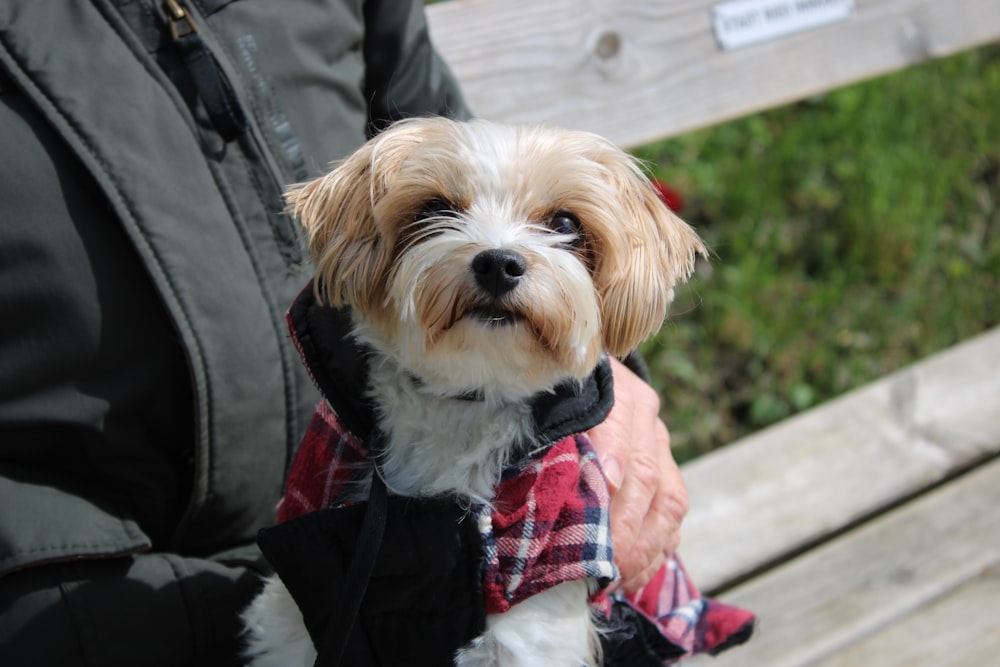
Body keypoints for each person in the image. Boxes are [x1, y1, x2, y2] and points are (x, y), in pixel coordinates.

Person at [0, 1, 686, 664]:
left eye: (560, 226)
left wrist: (613, 378)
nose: (500, 251)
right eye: (435, 214)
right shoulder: (328, 483)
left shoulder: (552, 514)